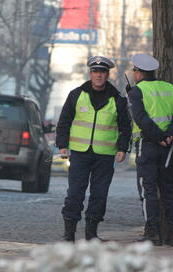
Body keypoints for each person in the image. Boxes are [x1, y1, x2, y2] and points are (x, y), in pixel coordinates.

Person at [56, 56, 131, 242]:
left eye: (102, 72)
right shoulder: (76, 95)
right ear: (90, 74)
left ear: (108, 74)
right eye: (95, 71)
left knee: (99, 194)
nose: (99, 75)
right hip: (80, 153)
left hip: (105, 155)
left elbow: (125, 127)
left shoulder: (118, 99)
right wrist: (62, 145)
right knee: (75, 193)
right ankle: (69, 234)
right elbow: (64, 121)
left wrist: (123, 148)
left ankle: (92, 234)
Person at [127, 53, 173, 246]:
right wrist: (170, 135)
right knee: (169, 190)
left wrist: (160, 137)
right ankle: (172, 233)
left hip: (149, 145)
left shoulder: (137, 91)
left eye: (134, 71)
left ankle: (152, 233)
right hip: (168, 148)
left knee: (148, 189)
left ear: (138, 73)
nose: (134, 74)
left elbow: (141, 119)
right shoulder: (169, 87)